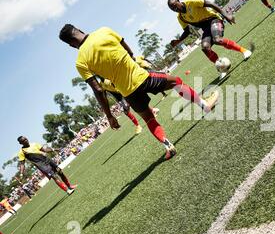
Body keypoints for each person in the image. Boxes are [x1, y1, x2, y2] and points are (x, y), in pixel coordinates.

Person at [59, 24, 219, 160]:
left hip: (127, 92)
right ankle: (204, 105)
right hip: (142, 77)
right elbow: (127, 49)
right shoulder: (103, 31)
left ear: (71, 44)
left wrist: (109, 115)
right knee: (176, 81)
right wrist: (129, 60)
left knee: (149, 118)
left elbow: (98, 90)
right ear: (78, 29)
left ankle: (168, 146)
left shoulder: (80, 61)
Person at [168, 0, 253, 79]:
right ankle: (223, 68)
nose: (175, 9)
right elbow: (187, 31)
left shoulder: (192, 2)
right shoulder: (180, 17)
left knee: (217, 40)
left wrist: (226, 15)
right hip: (206, 29)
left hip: (214, 20)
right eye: (173, 9)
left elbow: (211, 4)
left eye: (175, 5)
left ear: (178, 1)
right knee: (205, 47)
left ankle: (244, 51)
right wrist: (179, 40)